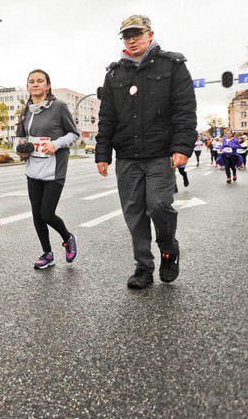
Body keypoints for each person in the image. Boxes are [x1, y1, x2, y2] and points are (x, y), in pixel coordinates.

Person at [95, 15, 197, 289]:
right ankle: (143, 266)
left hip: (160, 153)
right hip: (127, 156)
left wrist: (182, 146)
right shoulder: (115, 74)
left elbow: (185, 110)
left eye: (137, 34)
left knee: (159, 205)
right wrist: (102, 152)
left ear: (150, 34)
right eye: (126, 36)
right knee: (134, 213)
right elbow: (107, 117)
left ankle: (168, 248)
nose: (131, 40)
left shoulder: (172, 66)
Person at [14, 69, 80, 269]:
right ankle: (47, 254)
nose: (35, 84)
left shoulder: (58, 107)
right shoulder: (26, 110)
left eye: (40, 81)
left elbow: (73, 133)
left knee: (47, 214)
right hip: (33, 168)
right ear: (27, 87)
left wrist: (56, 144)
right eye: (31, 81)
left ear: (48, 86)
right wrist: (21, 151)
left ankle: (68, 238)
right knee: (36, 214)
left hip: (54, 169)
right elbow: (20, 137)